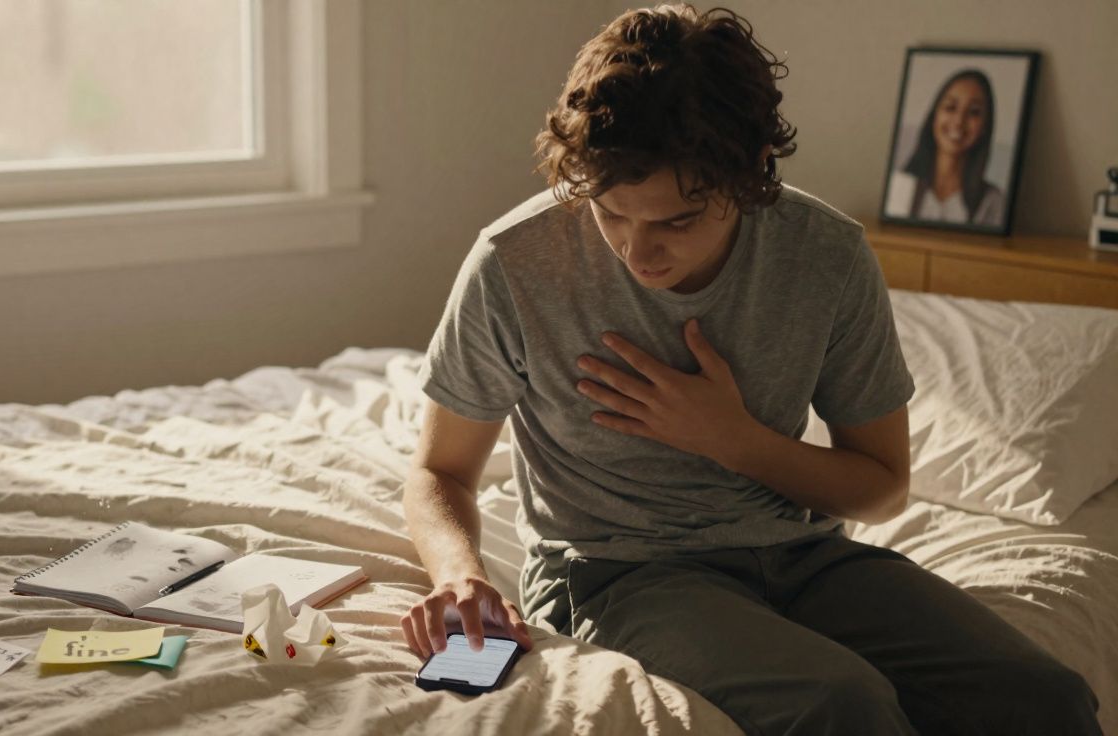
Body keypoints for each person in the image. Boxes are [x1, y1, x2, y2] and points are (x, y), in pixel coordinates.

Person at [400, 5, 1101, 734]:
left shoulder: (824, 256)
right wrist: (461, 577)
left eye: (676, 222)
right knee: (840, 704)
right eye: (612, 213)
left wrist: (733, 439)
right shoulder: (515, 261)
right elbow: (440, 470)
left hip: (803, 558)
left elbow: (884, 487)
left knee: (1044, 696)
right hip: (619, 573)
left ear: (756, 169)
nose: (639, 253)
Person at [885, 68, 1006, 227]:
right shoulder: (900, 187)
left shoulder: (992, 201)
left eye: (974, 112)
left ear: (984, 126)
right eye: (950, 107)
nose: (959, 121)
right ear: (934, 115)